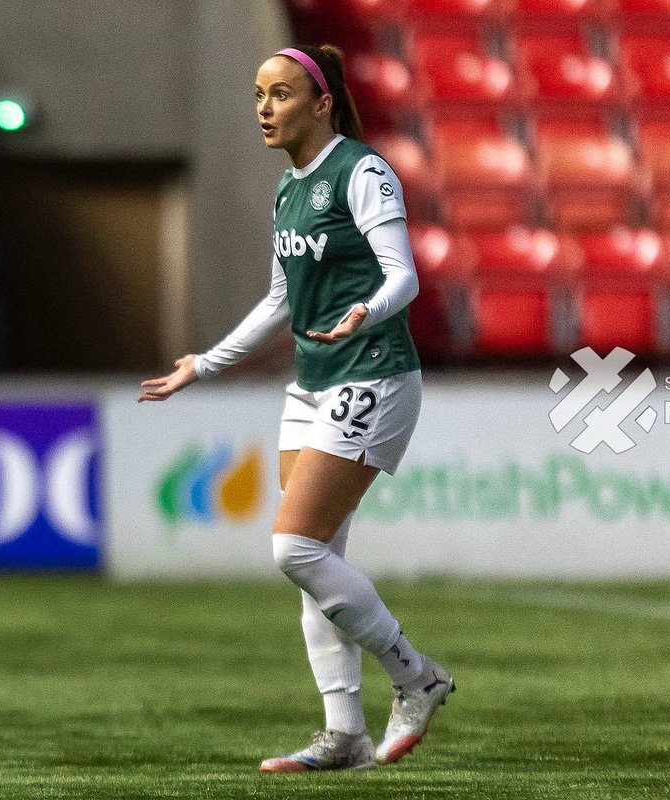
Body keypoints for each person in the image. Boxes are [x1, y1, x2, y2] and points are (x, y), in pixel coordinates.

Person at [138, 43, 453, 772]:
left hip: (372, 373)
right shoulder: (287, 191)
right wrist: (203, 364)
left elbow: (402, 276)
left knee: (295, 548)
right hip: (313, 383)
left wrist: (364, 312)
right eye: (257, 96)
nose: (263, 109)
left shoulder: (362, 172)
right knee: (319, 561)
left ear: (322, 102)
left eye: (279, 95)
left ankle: (417, 676)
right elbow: (281, 299)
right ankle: (344, 735)